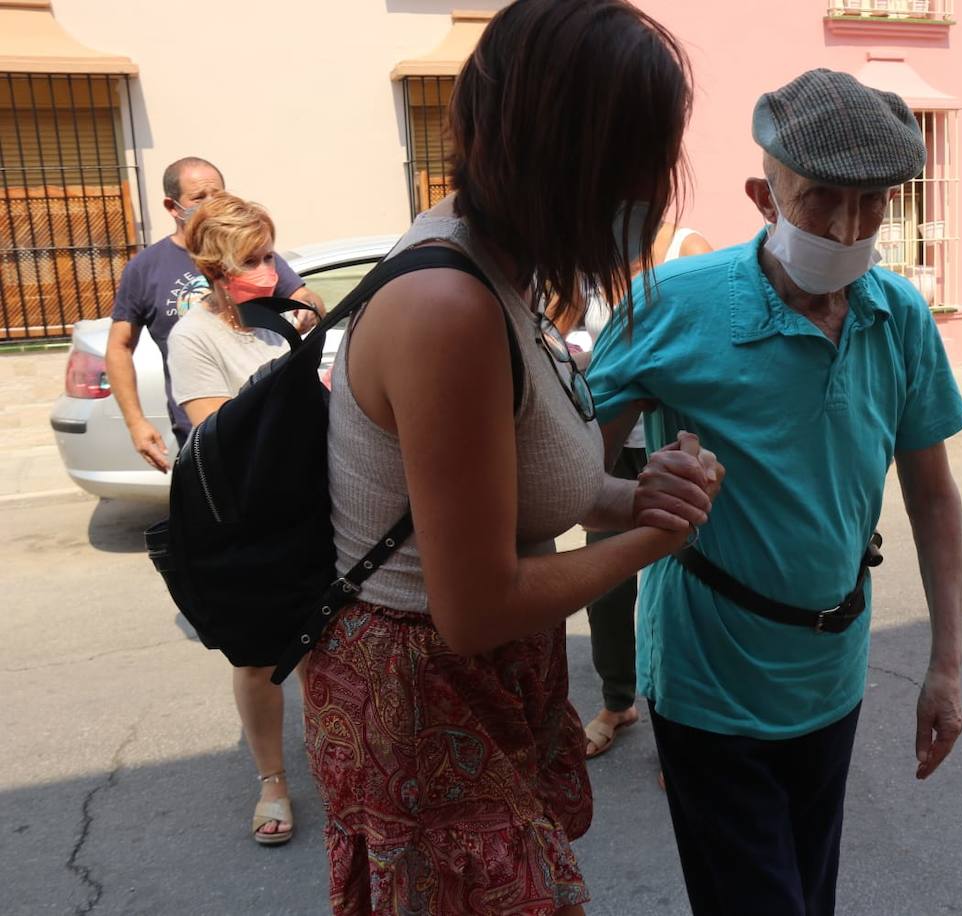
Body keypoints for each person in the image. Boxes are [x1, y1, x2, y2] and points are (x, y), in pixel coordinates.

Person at [300, 2, 719, 914]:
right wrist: (655, 541)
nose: (654, 185)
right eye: (640, 155)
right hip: (427, 697)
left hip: (477, 684)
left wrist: (635, 494)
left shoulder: (501, 264)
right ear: (567, 153)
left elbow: (525, 486)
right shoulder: (450, 307)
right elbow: (474, 606)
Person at [587, 68, 962, 916]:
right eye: (821, 199)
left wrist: (945, 665)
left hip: (832, 674)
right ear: (764, 195)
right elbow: (566, 484)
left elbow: (933, 496)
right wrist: (642, 496)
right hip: (710, 679)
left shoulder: (897, 315)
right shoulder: (670, 307)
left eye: (874, 202)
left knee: (810, 893)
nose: (849, 226)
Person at [165, 193, 299, 845]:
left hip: (311, 503)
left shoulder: (288, 316)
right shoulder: (194, 335)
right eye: (254, 258)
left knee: (334, 644)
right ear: (219, 270)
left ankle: (348, 760)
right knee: (257, 659)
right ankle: (272, 779)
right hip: (246, 517)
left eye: (271, 254)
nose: (270, 269)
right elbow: (214, 429)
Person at [570, 222, 713, 760]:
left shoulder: (686, 251)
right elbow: (554, 330)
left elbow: (711, 345)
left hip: (667, 446)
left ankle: (677, 724)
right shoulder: (589, 265)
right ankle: (618, 700)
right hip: (607, 445)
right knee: (605, 589)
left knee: (673, 585)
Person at [106, 156, 324, 469]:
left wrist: (308, 311)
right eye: (199, 198)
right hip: (210, 433)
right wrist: (135, 422)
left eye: (218, 195)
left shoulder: (258, 272)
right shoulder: (146, 270)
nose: (211, 204)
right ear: (172, 206)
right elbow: (119, 346)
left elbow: (305, 297)